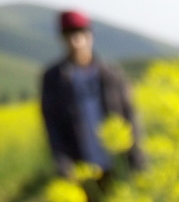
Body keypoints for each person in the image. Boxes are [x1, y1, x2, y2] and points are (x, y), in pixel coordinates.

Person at [41, 10, 146, 179]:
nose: (76, 41)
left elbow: (130, 115)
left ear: (90, 35)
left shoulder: (112, 73)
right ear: (62, 38)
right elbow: (51, 124)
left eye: (80, 33)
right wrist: (62, 162)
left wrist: (137, 157)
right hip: (81, 168)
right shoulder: (53, 78)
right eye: (69, 34)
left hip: (117, 161)